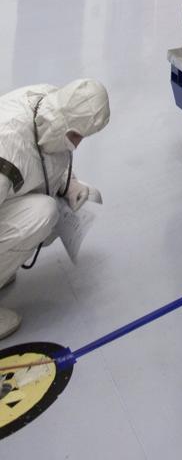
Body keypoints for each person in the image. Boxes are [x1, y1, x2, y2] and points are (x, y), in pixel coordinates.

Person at [0, 78, 110, 340]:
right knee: (42, 215)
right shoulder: (8, 148)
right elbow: (24, 157)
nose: (77, 143)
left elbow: (43, 154)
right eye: (76, 136)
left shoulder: (49, 104)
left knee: (49, 212)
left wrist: (69, 184)